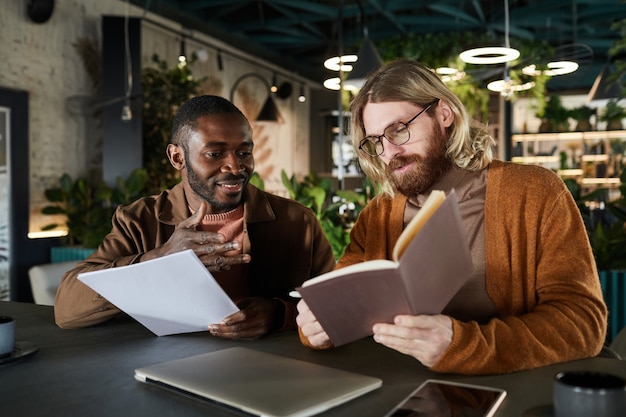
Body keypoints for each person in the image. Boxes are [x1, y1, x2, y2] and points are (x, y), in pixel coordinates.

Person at [296, 59, 608, 374]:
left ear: (444, 114)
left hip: (510, 393)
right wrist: (319, 326)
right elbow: (336, 307)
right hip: (397, 391)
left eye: (399, 129)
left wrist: (462, 346)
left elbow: (582, 322)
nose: (389, 151)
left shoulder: (534, 191)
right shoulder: (377, 215)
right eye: (376, 141)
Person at [55, 95, 336, 339]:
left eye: (244, 152)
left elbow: (335, 306)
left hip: (271, 372)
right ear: (177, 157)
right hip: (166, 369)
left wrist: (279, 314)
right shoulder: (139, 220)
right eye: (215, 153)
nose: (235, 166)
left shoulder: (297, 221)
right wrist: (160, 258)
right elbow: (67, 310)